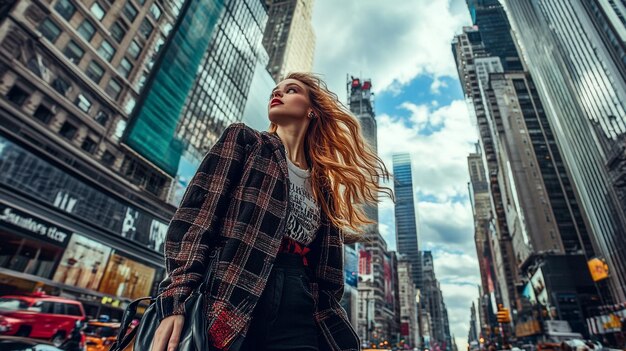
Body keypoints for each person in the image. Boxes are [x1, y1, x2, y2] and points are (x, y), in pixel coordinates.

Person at [151, 72, 392, 351]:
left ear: (312, 110)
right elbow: (194, 220)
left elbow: (327, 274)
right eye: (275, 91)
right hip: (233, 296)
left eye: (291, 90)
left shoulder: (323, 184)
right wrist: (176, 298)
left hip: (299, 307)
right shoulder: (245, 141)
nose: (277, 94)